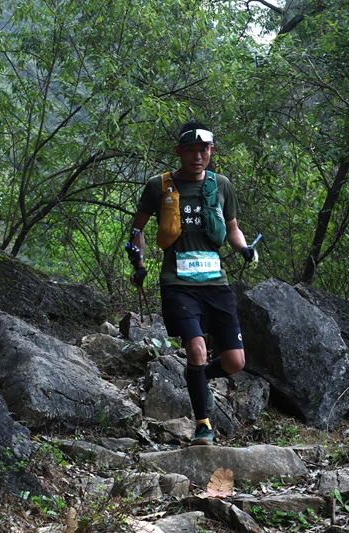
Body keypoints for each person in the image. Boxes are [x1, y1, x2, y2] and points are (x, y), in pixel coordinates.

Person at [125, 121, 257, 445]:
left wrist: (244, 249)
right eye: (191, 150)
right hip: (178, 283)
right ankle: (203, 427)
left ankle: (200, 378)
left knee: (235, 362)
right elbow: (137, 230)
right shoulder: (159, 187)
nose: (197, 156)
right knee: (196, 350)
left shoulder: (221, 185)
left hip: (216, 282)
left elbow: (232, 229)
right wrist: (138, 262)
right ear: (179, 152)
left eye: (204, 150)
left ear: (211, 151)